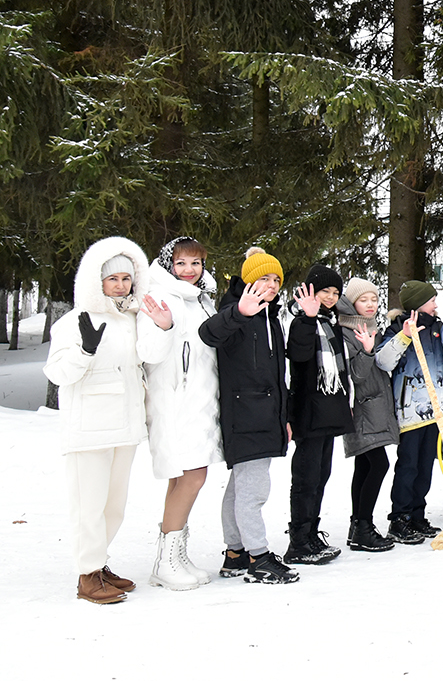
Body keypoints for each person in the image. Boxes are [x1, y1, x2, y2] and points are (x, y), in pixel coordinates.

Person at [46, 237, 169, 603]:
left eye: (126, 278)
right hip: (89, 429)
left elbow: (147, 360)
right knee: (89, 505)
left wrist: (161, 327)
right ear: (96, 280)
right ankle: (87, 574)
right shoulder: (74, 321)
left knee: (113, 505)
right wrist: (84, 351)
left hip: (125, 427)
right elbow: (57, 374)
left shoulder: (133, 319)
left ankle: (99, 564)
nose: (120, 285)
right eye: (112, 278)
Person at [199, 248, 299, 584]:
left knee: (240, 488)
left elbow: (275, 376)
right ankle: (259, 557)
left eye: (275, 280)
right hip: (244, 414)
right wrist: (240, 311)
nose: (271, 285)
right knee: (253, 490)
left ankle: (236, 553)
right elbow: (209, 333)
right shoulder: (235, 311)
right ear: (246, 280)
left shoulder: (271, 317)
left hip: (266, 415)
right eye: (263, 278)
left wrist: (283, 417)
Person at [138, 237, 220, 591]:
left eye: (196, 264)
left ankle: (175, 555)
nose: (189, 270)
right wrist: (163, 327)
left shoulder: (202, 300)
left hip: (202, 400)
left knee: (184, 478)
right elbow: (149, 354)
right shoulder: (159, 296)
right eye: (182, 263)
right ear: (168, 263)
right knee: (191, 476)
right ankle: (166, 560)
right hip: (176, 401)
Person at [375, 275, 443, 544]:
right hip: (410, 412)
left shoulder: (436, 329)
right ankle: (400, 518)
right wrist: (405, 336)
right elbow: (383, 361)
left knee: (426, 467)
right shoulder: (396, 330)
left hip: (436, 412)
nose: (435, 305)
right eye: (431, 301)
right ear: (417, 305)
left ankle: (417, 515)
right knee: (409, 467)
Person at [283, 265, 355, 565]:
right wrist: (308, 316)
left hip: (329, 411)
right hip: (309, 412)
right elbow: (298, 356)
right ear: (310, 290)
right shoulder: (302, 321)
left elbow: (340, 370)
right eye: (325, 290)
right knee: (306, 478)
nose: (330, 297)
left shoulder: (331, 323)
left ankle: (312, 533)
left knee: (321, 476)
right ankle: (298, 541)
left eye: (335, 293)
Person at [337, 277, 399, 550]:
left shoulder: (370, 327)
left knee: (364, 466)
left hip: (374, 407)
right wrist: (367, 350)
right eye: (364, 300)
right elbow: (357, 375)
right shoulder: (345, 331)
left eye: (374, 299)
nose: (371, 304)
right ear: (352, 302)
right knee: (378, 465)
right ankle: (363, 526)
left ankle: (358, 526)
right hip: (361, 408)